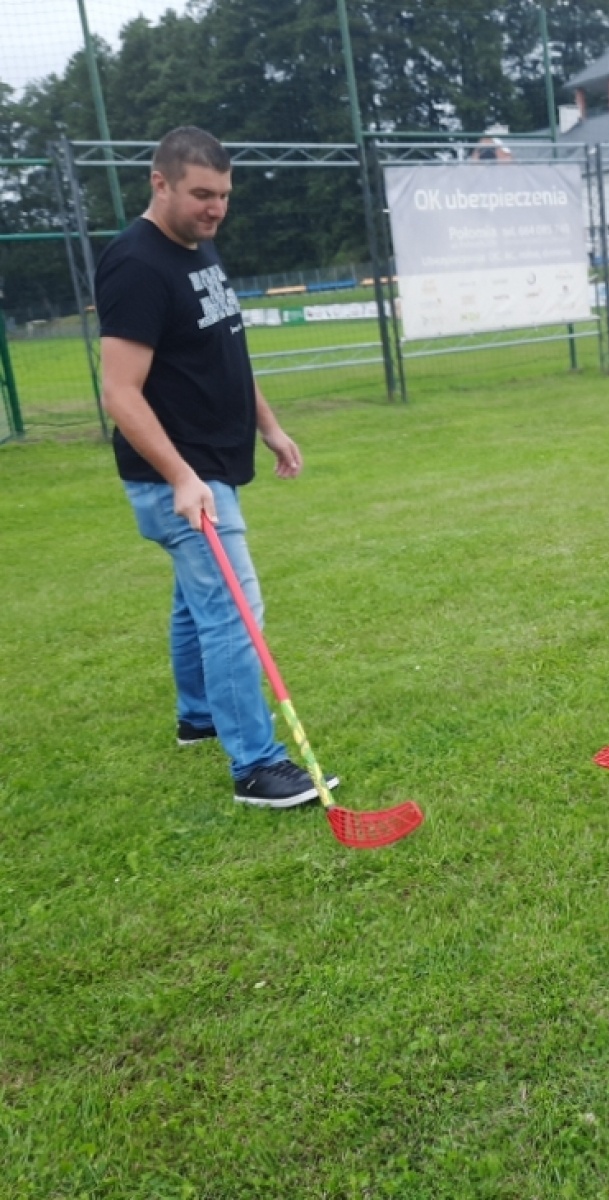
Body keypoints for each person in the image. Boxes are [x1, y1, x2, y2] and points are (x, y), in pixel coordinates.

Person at [96, 125, 339, 809]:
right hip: (179, 475)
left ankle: (199, 715)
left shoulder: (198, 246)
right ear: (160, 183)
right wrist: (181, 477)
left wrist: (269, 426)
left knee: (195, 597)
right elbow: (119, 392)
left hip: (213, 463)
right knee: (233, 609)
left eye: (224, 195)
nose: (216, 209)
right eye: (202, 194)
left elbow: (223, 350)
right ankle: (256, 766)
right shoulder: (136, 264)